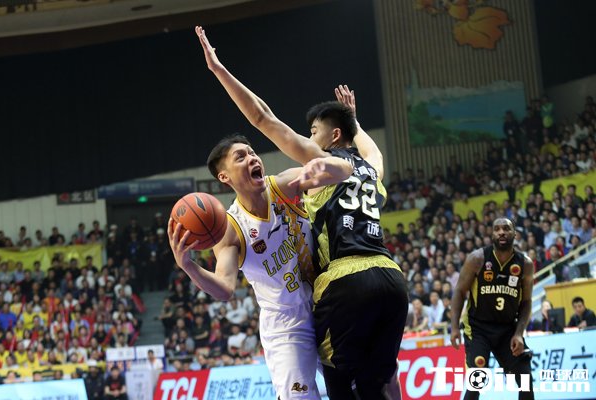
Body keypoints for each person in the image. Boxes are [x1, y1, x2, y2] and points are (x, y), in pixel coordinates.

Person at [195, 26, 408, 399]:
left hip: (336, 289)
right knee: (383, 380)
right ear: (224, 177)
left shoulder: (308, 170)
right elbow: (366, 151)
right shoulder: (371, 168)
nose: (308, 139)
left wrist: (219, 70)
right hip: (359, 290)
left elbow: (264, 119)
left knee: (352, 385)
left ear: (333, 138)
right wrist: (352, 122)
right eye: (241, 156)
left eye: (313, 132)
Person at [168, 138, 352, 397]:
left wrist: (324, 165)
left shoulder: (284, 185)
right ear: (224, 176)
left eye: (252, 152)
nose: (252, 158)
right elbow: (224, 289)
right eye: (241, 157)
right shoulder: (231, 230)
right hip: (286, 324)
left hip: (325, 304)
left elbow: (344, 171)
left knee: (361, 385)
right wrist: (188, 265)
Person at [450, 217, 534, 400]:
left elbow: (527, 302)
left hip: (507, 329)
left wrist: (519, 333)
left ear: (515, 234)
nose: (501, 232)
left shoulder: (525, 264)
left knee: (525, 378)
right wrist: (454, 327)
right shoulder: (477, 259)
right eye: (497, 229)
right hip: (478, 328)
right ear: (492, 234)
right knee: (477, 379)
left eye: (506, 228)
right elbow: (459, 292)